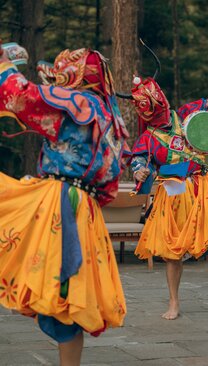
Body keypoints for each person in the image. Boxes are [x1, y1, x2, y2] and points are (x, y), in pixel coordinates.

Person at [0, 42, 130, 365]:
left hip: (62, 204)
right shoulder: (108, 115)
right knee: (67, 301)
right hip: (84, 209)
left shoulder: (79, 103)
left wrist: (4, 66)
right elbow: (111, 183)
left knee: (62, 299)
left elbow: (23, 97)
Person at [128, 75, 208, 320]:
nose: (162, 114)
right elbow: (137, 159)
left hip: (201, 181)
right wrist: (138, 169)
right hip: (173, 192)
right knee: (172, 253)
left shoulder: (182, 114)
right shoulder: (147, 139)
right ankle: (174, 302)